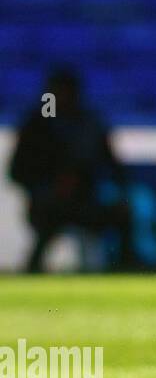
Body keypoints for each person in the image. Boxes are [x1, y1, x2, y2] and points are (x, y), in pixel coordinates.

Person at [9, 68, 131, 272]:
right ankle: (34, 269)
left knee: (122, 214)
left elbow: (113, 166)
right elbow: (17, 171)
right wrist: (47, 188)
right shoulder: (36, 126)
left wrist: (115, 192)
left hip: (85, 199)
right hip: (48, 202)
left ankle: (127, 267)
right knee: (49, 218)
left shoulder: (90, 124)